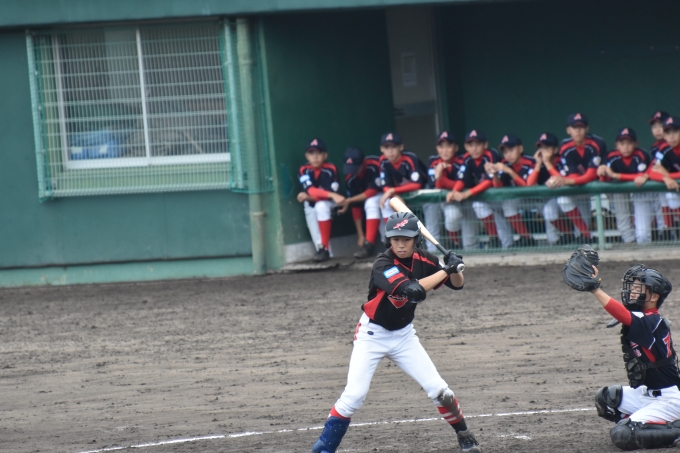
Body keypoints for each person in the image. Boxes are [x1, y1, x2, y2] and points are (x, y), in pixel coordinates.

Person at [310, 212, 481, 453]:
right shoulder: (382, 264)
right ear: (388, 240)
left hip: (404, 336)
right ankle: (324, 449)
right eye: (395, 239)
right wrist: (446, 269)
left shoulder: (426, 260)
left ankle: (465, 435)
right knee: (354, 396)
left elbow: (457, 283)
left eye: (406, 239)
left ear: (416, 240)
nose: (400, 245)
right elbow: (413, 291)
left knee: (441, 391)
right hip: (372, 335)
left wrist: (454, 267)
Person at [588, 263, 680, 450]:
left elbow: (622, 314)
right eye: (633, 287)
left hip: (669, 399)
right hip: (648, 394)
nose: (631, 291)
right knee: (607, 399)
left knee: (623, 435)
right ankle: (649, 422)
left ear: (654, 297)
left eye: (638, 288)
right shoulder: (643, 317)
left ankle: (673, 430)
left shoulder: (651, 320)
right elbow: (626, 314)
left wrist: (595, 289)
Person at [447, 130, 512, 249]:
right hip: (488, 199)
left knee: (503, 226)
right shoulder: (467, 158)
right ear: (466, 147)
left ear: (485, 145)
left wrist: (467, 193)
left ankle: (521, 241)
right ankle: (495, 239)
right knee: (481, 208)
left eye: (478, 144)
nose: (474, 148)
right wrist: (454, 191)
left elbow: (489, 181)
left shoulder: (491, 154)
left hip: (503, 195)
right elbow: (463, 179)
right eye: (471, 145)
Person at [597, 127, 654, 244]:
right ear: (616, 145)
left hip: (641, 191)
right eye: (622, 143)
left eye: (629, 143)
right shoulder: (611, 156)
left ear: (636, 144)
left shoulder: (641, 154)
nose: (626, 147)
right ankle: (630, 243)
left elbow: (640, 178)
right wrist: (602, 173)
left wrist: (616, 175)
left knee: (643, 232)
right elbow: (605, 178)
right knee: (622, 216)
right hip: (620, 191)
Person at [423, 131, 478, 250]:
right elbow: (433, 184)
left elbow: (465, 182)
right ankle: (439, 249)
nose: (445, 150)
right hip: (440, 200)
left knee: (457, 218)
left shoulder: (463, 160)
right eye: (441, 146)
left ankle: (459, 243)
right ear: (437, 148)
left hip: (462, 198)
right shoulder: (433, 161)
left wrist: (443, 181)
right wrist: (440, 178)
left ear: (456, 147)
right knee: (439, 219)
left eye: (448, 146)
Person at [551, 113, 601, 241]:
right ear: (568, 130)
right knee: (562, 199)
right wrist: (566, 180)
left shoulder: (596, 143)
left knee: (622, 213)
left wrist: (565, 180)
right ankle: (586, 236)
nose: (578, 131)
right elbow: (573, 175)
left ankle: (627, 240)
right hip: (579, 186)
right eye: (574, 127)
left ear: (587, 129)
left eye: (581, 127)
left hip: (600, 186)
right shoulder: (566, 147)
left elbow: (590, 176)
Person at [297, 138, 345, 262]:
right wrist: (331, 194)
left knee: (321, 206)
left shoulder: (331, 169)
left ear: (325, 155)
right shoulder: (303, 169)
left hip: (329, 203)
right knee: (315, 234)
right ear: (307, 156)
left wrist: (310, 196)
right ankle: (325, 253)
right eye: (311, 153)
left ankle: (324, 249)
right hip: (311, 203)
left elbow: (329, 197)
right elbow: (311, 190)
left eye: (319, 153)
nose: (315, 157)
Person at [487, 134, 536, 246]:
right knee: (505, 205)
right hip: (520, 201)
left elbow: (527, 186)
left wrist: (509, 171)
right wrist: (495, 174)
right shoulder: (504, 163)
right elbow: (498, 187)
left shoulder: (531, 162)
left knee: (550, 211)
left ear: (520, 149)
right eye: (505, 151)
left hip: (537, 199)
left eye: (511, 150)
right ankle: (526, 238)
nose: (508, 154)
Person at [338, 147, 382, 259]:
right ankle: (368, 245)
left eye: (355, 168)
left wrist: (348, 200)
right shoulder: (350, 178)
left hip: (389, 195)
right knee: (370, 204)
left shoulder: (375, 165)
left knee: (371, 202)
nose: (353, 172)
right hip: (375, 203)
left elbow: (372, 191)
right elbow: (355, 207)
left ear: (363, 163)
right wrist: (360, 234)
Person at [528, 132, 571, 245]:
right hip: (549, 200)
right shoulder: (537, 163)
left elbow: (561, 180)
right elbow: (529, 184)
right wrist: (538, 164)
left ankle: (574, 236)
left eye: (547, 147)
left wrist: (547, 162)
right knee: (549, 212)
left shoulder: (562, 160)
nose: (543, 151)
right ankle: (566, 237)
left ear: (555, 150)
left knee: (580, 230)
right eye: (541, 147)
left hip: (570, 198)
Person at [378, 132, 427, 221]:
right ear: (381, 149)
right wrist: (393, 194)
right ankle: (407, 227)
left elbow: (417, 184)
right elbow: (385, 185)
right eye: (386, 147)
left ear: (401, 147)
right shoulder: (383, 160)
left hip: (422, 190)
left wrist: (392, 191)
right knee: (389, 202)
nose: (390, 151)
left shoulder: (410, 158)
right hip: (401, 192)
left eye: (394, 147)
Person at [650, 116, 680, 235]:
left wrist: (668, 175)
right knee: (670, 195)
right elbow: (653, 171)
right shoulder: (664, 149)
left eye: (675, 132)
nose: (671, 136)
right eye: (667, 133)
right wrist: (665, 178)